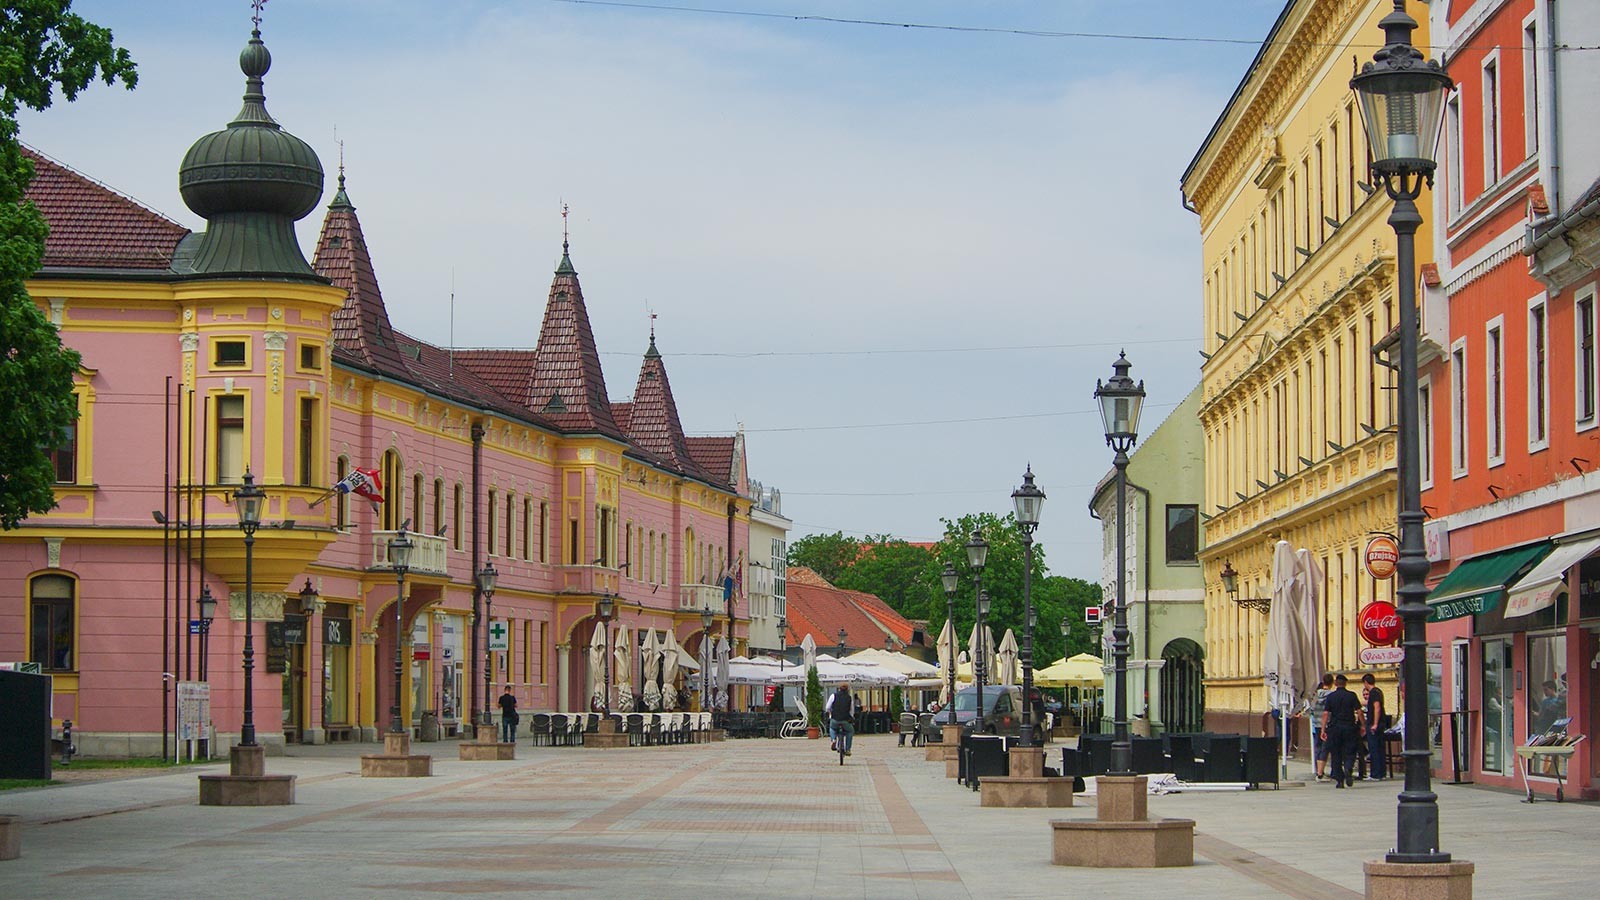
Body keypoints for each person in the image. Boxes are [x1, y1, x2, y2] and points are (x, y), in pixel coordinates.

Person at [1321, 674, 1362, 788]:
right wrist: (1362, 725)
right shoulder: (1352, 695)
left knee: (1336, 754)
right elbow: (1359, 712)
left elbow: (1325, 714)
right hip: (1349, 727)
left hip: (1335, 728)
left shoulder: (1331, 697)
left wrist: (1323, 730)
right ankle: (1348, 768)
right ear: (1345, 683)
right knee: (1350, 751)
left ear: (1335, 684)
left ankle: (1339, 780)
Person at [1362, 673, 1388, 780]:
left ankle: (1375, 774)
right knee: (1380, 748)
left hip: (1374, 724)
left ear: (1366, 682)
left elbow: (1377, 708)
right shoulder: (1379, 691)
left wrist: (1375, 723)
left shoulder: (1373, 693)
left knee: (1374, 749)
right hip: (1380, 723)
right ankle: (1382, 773)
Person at [1310, 673, 1334, 782]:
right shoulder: (1332, 695)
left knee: (1318, 747)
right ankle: (1321, 772)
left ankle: (1317, 770)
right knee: (1326, 748)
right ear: (1332, 683)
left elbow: (1310, 709)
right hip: (1327, 724)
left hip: (1316, 724)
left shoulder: (1314, 696)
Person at [824, 684, 855, 756]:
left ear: (839, 688)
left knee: (832, 728)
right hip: (845, 720)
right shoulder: (849, 698)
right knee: (850, 731)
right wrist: (851, 717)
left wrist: (830, 713)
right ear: (847, 689)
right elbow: (851, 711)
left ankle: (833, 739)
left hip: (835, 719)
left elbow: (827, 707)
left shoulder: (833, 696)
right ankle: (848, 749)